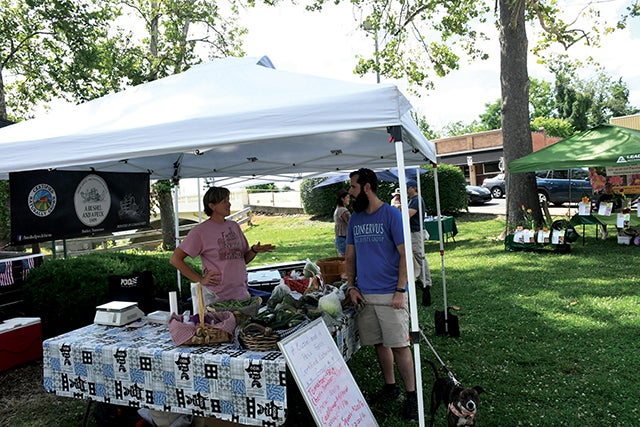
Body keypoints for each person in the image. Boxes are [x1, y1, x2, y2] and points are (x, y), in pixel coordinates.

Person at [344, 168, 418, 423]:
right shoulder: (355, 218)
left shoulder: (391, 215)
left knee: (400, 346)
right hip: (365, 294)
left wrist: (400, 290)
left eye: (353, 187)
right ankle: (390, 387)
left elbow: (404, 255)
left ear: (366, 187)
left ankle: (412, 397)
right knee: (379, 343)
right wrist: (351, 286)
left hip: (390, 294)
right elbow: (350, 256)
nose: (350, 192)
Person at [170, 186, 275, 302]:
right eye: (224, 201)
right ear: (212, 206)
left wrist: (254, 250)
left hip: (241, 292)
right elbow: (175, 259)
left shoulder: (234, 226)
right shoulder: (200, 231)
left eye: (228, 200)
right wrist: (200, 279)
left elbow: (242, 260)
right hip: (216, 296)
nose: (229, 204)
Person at [405, 179, 432, 305]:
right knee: (417, 257)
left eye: (408, 187)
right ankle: (421, 279)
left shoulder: (416, 200)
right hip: (414, 231)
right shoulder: (413, 200)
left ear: (414, 188)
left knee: (419, 256)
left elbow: (408, 214)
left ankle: (426, 281)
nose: (406, 189)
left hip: (416, 232)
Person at [333, 189, 351, 256]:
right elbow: (351, 224)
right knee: (345, 260)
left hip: (339, 239)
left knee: (342, 260)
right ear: (342, 199)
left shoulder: (337, 209)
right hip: (344, 239)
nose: (349, 199)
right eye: (347, 197)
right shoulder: (343, 210)